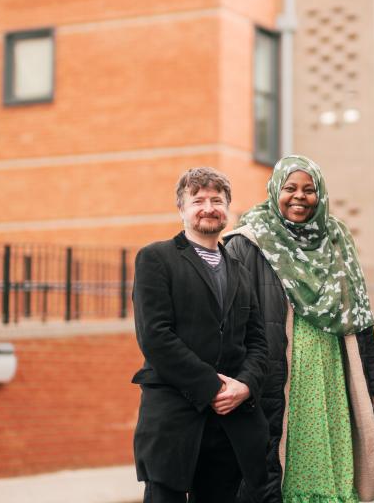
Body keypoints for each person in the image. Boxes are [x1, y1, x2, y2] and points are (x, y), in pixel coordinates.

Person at [225, 155, 374, 503]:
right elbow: (230, 321)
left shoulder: (336, 240)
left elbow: (360, 319)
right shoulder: (248, 241)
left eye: (309, 189)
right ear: (275, 190)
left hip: (334, 373)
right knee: (280, 468)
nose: (299, 197)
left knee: (333, 468)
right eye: (290, 188)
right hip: (282, 375)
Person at [131, 167, 269, 503]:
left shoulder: (240, 270)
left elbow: (258, 342)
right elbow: (155, 338)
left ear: (228, 208)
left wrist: (245, 385)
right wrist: (214, 387)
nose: (209, 208)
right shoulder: (155, 258)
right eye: (198, 200)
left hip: (230, 427)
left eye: (217, 201)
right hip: (174, 421)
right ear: (181, 208)